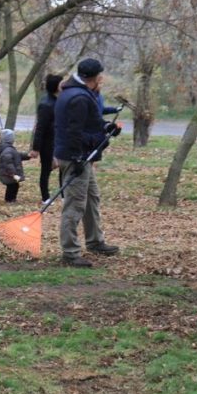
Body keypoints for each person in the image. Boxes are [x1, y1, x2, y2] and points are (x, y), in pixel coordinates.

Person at [54, 58, 121, 268]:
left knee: (92, 198)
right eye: (101, 74)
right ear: (96, 77)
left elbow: (89, 123)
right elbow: (74, 132)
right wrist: (77, 157)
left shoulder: (76, 92)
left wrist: (106, 128)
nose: (102, 77)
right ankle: (70, 252)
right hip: (77, 157)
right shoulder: (78, 97)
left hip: (81, 154)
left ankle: (95, 241)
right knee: (75, 205)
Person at [30, 73, 63, 204]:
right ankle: (45, 197)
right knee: (46, 169)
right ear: (56, 86)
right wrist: (36, 148)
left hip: (59, 141)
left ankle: (64, 194)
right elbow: (40, 128)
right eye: (61, 84)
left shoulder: (59, 101)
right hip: (47, 142)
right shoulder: (46, 104)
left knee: (63, 168)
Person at [0, 129, 29, 203]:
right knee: (11, 187)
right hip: (9, 174)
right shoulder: (8, 151)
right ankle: (9, 199)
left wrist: (27, 156)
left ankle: (12, 199)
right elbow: (8, 164)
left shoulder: (9, 149)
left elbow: (17, 155)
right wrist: (13, 173)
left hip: (10, 174)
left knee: (14, 186)